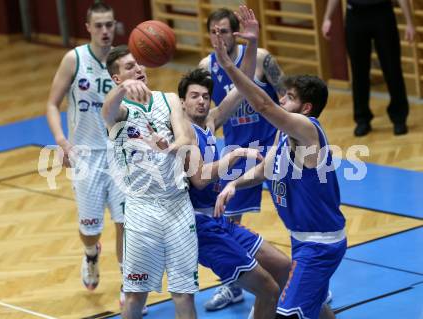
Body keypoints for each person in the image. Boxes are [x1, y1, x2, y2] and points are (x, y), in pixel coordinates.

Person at [212, 27, 347, 319]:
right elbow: (266, 168)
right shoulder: (283, 137)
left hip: (320, 245)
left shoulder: (307, 130)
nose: (281, 100)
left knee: (286, 314)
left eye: (289, 97)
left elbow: (262, 104)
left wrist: (228, 67)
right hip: (302, 240)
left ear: (306, 107)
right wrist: (234, 184)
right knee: (313, 310)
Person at [178, 6, 291, 318]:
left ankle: (302, 287)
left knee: (283, 268)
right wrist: (235, 155)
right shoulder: (184, 135)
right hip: (198, 227)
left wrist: (250, 45)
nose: (202, 100)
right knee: (268, 288)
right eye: (194, 96)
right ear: (182, 103)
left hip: (219, 222)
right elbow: (200, 179)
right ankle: (237, 286)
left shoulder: (211, 120)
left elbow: (244, 87)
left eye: (205, 96)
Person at [46, 2, 134, 310]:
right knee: (90, 229)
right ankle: (91, 253)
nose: (105, 31)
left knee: (126, 222)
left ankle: (129, 283)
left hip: (119, 153)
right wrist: (60, 140)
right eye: (99, 25)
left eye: (109, 24)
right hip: (85, 157)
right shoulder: (75, 59)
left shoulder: (123, 61)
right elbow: (51, 104)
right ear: (88, 28)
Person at [102, 45, 198, 319]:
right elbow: (106, 110)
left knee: (183, 293)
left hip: (178, 205)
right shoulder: (119, 111)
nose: (138, 69)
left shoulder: (168, 99)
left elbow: (184, 138)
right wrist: (123, 90)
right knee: (135, 295)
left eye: (138, 64)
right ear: (117, 78)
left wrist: (167, 147)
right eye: (129, 67)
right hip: (142, 209)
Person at [322, 0, 415, 136]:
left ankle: (399, 118)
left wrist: (409, 22)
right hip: (355, 15)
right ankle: (362, 119)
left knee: (392, 68)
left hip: (382, 14)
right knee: (358, 71)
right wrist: (327, 18)